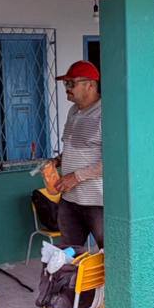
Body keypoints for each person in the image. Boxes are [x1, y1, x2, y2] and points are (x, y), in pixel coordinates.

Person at [54, 60, 104, 249]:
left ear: (90, 85)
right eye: (65, 83)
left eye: (71, 83)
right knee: (68, 253)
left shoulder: (106, 113)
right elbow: (73, 147)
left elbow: (113, 162)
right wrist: (57, 161)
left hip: (97, 201)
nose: (67, 88)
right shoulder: (73, 111)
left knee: (108, 252)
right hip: (70, 199)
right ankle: (71, 280)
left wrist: (76, 177)